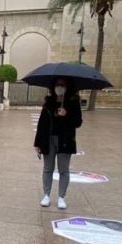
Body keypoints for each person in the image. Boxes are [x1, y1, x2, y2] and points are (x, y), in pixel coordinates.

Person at [34, 77, 83, 209]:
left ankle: (61, 197)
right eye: (57, 85)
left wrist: (67, 114)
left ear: (67, 87)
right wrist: (37, 143)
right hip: (49, 140)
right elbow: (41, 123)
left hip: (65, 140)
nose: (59, 87)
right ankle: (46, 195)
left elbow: (78, 122)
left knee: (63, 170)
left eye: (62, 85)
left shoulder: (73, 102)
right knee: (48, 169)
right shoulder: (48, 102)